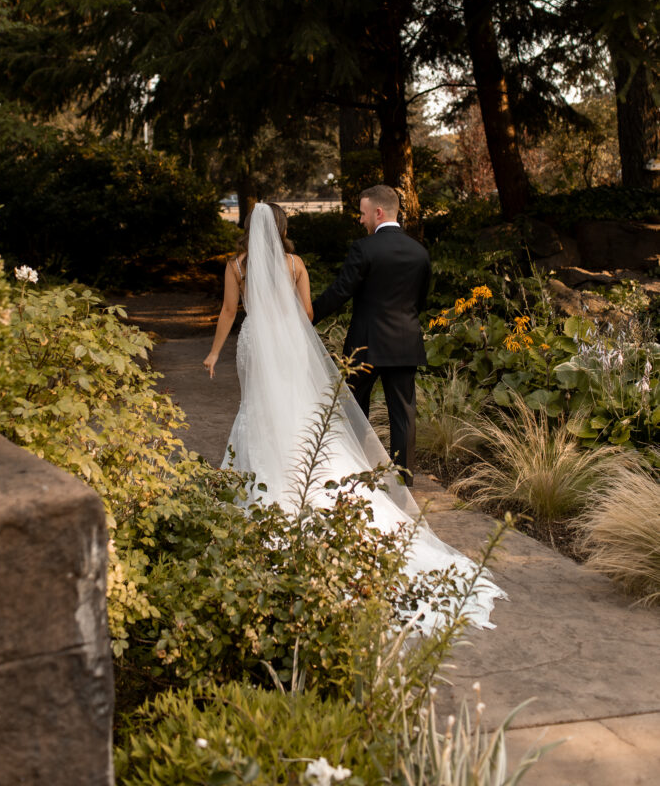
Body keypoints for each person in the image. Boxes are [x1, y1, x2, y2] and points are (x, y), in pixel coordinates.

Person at [204, 201, 504, 630]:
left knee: (259, 407)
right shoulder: (297, 263)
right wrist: (288, 323)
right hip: (307, 342)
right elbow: (309, 313)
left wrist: (215, 351)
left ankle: (269, 477)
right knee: (311, 404)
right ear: (283, 227)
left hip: (261, 341)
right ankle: (369, 475)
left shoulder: (237, 266)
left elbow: (231, 313)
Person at [311, 185, 430, 487]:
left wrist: (308, 315)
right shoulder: (420, 252)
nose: (361, 220)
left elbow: (340, 291)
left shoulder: (364, 249)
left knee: (353, 409)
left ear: (378, 212)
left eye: (363, 214)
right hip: (404, 344)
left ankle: (356, 472)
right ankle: (403, 481)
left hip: (365, 345)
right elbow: (421, 300)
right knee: (403, 413)